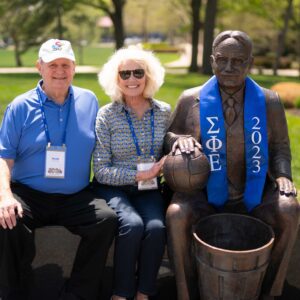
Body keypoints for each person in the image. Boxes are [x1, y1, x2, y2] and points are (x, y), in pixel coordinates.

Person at [164, 30, 300, 300]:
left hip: (255, 193)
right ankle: (186, 294)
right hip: (203, 194)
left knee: (289, 209)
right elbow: (169, 137)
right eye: (222, 59)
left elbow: (280, 147)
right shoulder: (191, 98)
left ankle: (270, 292)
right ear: (212, 60)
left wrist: (283, 175)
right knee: (177, 214)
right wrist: (179, 142)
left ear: (249, 62)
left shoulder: (269, 101)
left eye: (238, 61)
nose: (228, 67)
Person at [0, 39, 118, 300]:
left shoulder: (89, 101)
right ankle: (12, 293)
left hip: (76, 195)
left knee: (106, 220)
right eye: (53, 65)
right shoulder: (20, 106)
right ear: (39, 67)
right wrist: (5, 196)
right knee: (7, 222)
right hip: (29, 194)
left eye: (65, 64)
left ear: (74, 68)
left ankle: (78, 293)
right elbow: (3, 157)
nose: (60, 71)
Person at [93, 46, 171, 300]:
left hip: (148, 189)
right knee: (133, 225)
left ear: (149, 76)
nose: (132, 79)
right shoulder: (106, 115)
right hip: (113, 188)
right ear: (116, 79)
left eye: (138, 72)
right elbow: (101, 170)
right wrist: (138, 176)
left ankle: (143, 293)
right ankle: (121, 294)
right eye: (124, 74)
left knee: (158, 227)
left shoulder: (164, 112)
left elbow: (173, 146)